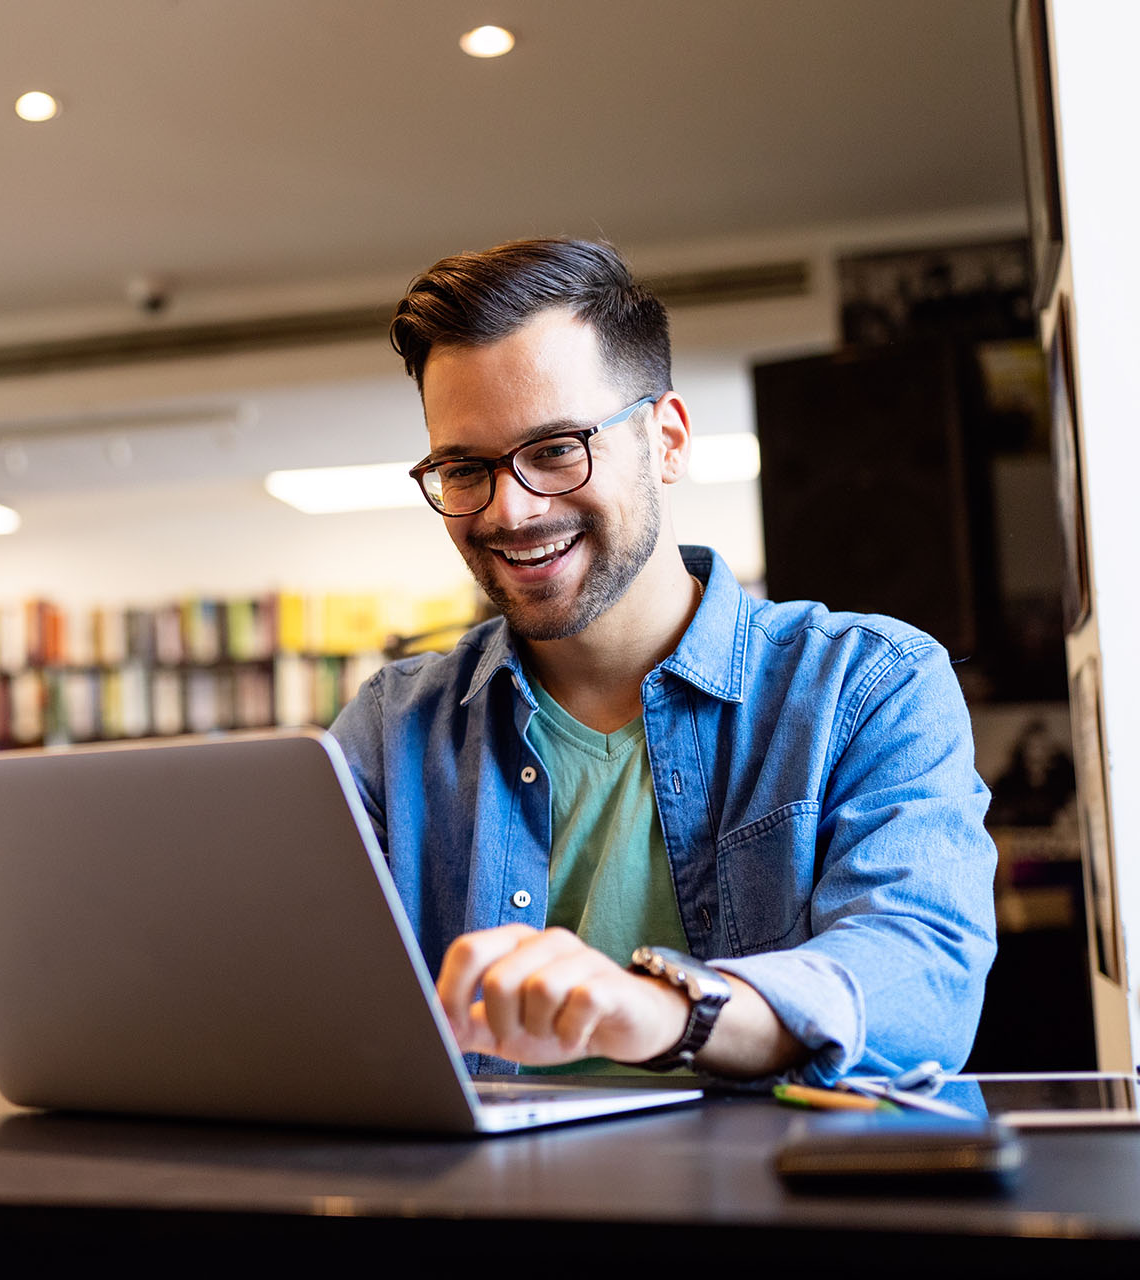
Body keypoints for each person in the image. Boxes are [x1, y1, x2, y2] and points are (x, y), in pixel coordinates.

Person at [329, 238, 996, 1084]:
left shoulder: (868, 685)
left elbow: (919, 977)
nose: (512, 508)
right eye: (466, 468)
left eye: (557, 448)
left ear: (668, 440)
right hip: (475, 1209)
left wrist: (668, 1008)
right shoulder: (391, 728)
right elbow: (287, 981)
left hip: (759, 1208)